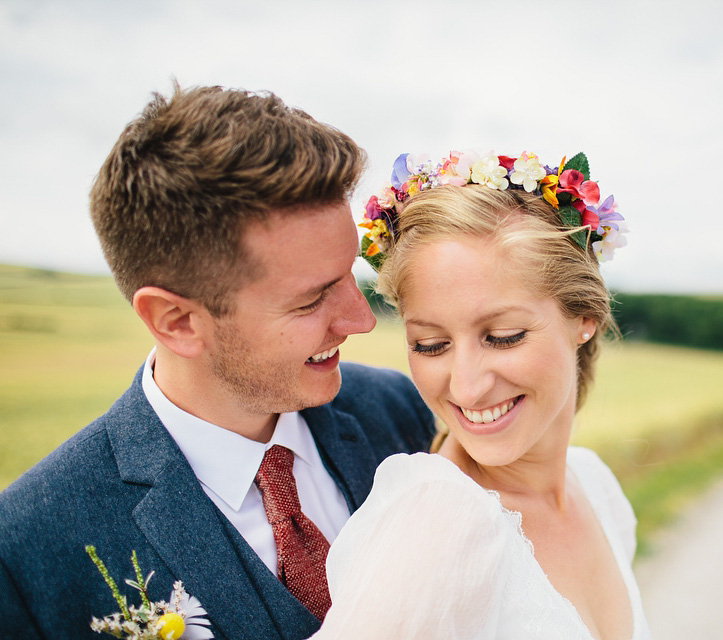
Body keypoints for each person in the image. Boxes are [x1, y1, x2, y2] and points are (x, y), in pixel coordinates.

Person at [0, 85, 435, 639]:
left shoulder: (399, 414)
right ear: (175, 321)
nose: (361, 319)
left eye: (352, 274)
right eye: (311, 299)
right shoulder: (24, 551)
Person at [311, 151, 650, 639]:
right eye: (431, 345)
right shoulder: (439, 523)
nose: (467, 387)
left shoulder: (597, 490)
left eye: (504, 336)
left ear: (584, 318)